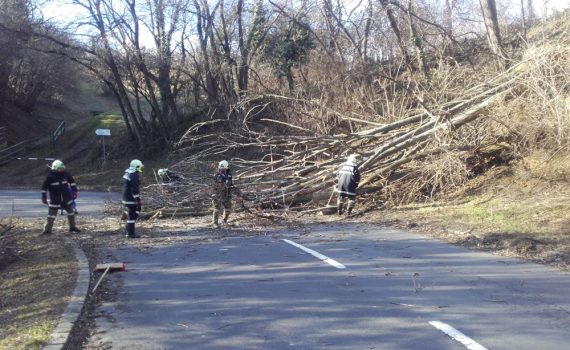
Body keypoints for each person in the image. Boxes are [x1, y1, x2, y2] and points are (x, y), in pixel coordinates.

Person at [41, 160, 81, 234]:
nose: (61, 169)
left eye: (62, 168)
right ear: (55, 168)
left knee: (71, 212)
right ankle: (47, 230)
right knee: (51, 215)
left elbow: (72, 182)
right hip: (55, 199)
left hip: (66, 198)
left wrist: (74, 191)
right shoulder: (50, 176)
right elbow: (44, 188)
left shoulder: (65, 174)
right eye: (60, 168)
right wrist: (44, 198)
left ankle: (72, 227)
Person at [122, 159, 144, 238]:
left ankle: (128, 229)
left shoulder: (127, 173)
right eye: (140, 168)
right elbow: (134, 189)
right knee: (133, 214)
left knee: (132, 215)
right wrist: (138, 199)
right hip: (131, 199)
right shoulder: (133, 175)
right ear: (136, 167)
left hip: (126, 198)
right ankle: (130, 233)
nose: (141, 170)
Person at [211, 160, 233, 226]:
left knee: (228, 208)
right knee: (216, 208)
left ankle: (224, 221)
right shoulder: (217, 174)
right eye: (221, 168)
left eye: (223, 168)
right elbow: (217, 184)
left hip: (227, 193)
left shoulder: (229, 174)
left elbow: (230, 183)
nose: (221, 169)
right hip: (217, 193)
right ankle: (215, 223)